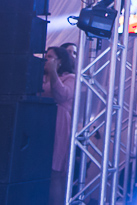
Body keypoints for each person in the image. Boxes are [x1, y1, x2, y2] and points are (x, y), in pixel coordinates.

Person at [42, 46, 76, 205]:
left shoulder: (70, 78)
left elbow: (62, 95)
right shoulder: (40, 77)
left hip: (58, 122)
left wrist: (53, 72)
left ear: (60, 61)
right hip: (40, 120)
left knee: (54, 172)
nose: (46, 60)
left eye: (50, 57)